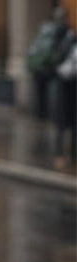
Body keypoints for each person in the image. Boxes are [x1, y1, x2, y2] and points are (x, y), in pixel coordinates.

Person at [26, 7, 73, 119]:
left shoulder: (44, 28)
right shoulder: (61, 29)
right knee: (58, 95)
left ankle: (41, 114)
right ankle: (52, 115)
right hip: (51, 66)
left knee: (41, 92)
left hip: (40, 66)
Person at [53, 28, 77, 170]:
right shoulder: (65, 40)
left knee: (71, 125)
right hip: (66, 89)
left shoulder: (65, 40)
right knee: (64, 124)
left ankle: (71, 156)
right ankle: (61, 155)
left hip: (68, 89)